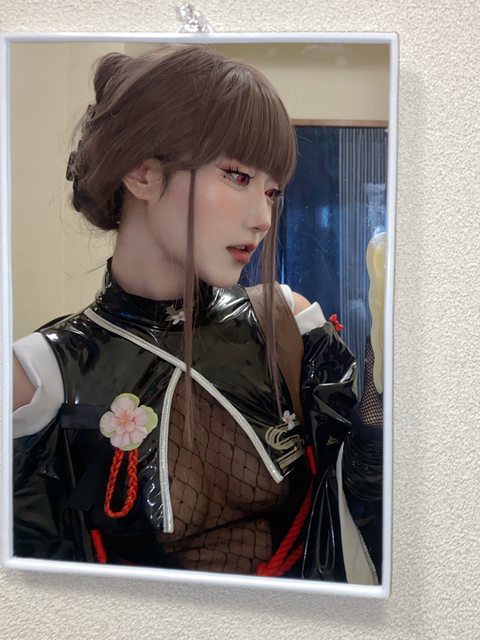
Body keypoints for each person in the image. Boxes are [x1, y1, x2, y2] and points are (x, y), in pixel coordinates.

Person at [12, 44, 382, 582]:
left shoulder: (287, 324)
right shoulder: (40, 378)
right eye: (237, 175)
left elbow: (368, 499)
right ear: (142, 172)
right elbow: (40, 598)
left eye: (272, 191)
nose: (262, 217)